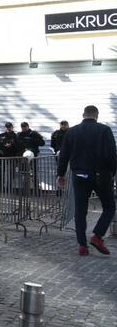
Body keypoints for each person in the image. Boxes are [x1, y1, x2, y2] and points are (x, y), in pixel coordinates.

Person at [56, 105, 116, 256]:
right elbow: (111, 154)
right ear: (97, 115)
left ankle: (82, 245)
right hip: (100, 175)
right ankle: (97, 236)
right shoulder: (104, 130)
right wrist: (112, 173)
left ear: (83, 115)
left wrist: (61, 174)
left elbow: (64, 155)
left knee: (80, 210)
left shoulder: (72, 131)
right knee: (109, 207)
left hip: (79, 175)